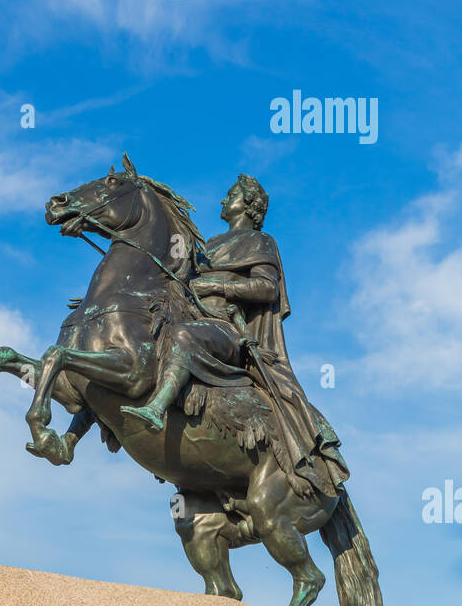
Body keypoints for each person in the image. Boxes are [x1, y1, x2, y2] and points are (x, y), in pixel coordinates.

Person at [121, 173, 342, 479]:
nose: (224, 200)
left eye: (231, 195)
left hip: (227, 330)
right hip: (195, 318)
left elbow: (267, 288)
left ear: (249, 205)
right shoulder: (208, 244)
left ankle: (156, 408)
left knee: (182, 336)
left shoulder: (260, 241)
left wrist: (219, 285)